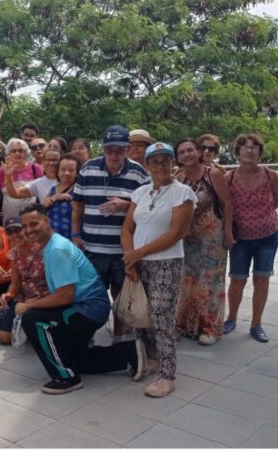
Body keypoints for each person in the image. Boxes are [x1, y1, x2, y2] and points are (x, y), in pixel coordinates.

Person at [16, 204, 147, 395]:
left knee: (33, 319)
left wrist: (28, 305)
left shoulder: (57, 249)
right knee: (74, 358)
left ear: (47, 222)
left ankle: (66, 378)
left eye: (33, 224)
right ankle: (128, 353)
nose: (28, 230)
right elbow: (62, 288)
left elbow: (65, 296)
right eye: (25, 226)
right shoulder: (51, 245)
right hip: (84, 306)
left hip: (88, 309)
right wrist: (42, 298)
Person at [121, 143, 196, 397]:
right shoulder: (140, 193)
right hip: (138, 262)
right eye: (155, 161)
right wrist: (131, 260)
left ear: (173, 163)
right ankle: (150, 359)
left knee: (162, 317)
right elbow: (126, 229)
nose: (160, 165)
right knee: (142, 314)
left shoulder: (182, 193)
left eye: (166, 160)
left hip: (167, 262)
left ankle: (167, 373)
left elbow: (176, 233)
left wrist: (137, 254)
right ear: (147, 164)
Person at [71, 125, 149, 340]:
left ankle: (119, 336)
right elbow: (77, 204)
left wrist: (126, 205)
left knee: (122, 295)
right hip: (92, 247)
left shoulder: (139, 173)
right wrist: (75, 235)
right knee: (91, 295)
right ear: (103, 149)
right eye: (110, 149)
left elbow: (149, 207)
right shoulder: (88, 168)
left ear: (128, 148)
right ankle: (87, 336)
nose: (114, 154)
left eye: (119, 149)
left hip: (123, 249)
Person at [175, 138, 233, 345]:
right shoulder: (179, 178)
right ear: (178, 158)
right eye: (182, 152)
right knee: (188, 280)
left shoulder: (213, 174)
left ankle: (209, 327)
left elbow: (227, 204)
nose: (187, 154)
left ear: (198, 152)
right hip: (188, 238)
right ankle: (187, 325)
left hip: (212, 237)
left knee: (210, 281)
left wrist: (228, 232)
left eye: (190, 150)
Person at [224, 133, 278, 342]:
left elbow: (276, 202)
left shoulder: (270, 175)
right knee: (237, 280)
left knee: (262, 279)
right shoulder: (229, 177)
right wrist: (228, 232)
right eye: (244, 147)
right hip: (241, 238)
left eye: (254, 147)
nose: (249, 150)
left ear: (259, 152)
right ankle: (231, 318)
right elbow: (226, 207)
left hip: (267, 235)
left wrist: (261, 217)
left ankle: (256, 324)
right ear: (237, 152)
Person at [0, 219, 49, 345]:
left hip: (44, 298)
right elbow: (15, 284)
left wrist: (38, 299)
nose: (14, 235)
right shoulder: (14, 254)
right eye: (10, 232)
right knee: (3, 336)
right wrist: (9, 294)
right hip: (23, 299)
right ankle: (28, 328)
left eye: (17, 230)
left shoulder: (44, 250)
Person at [0, 138, 43, 222]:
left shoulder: (35, 168)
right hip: (10, 221)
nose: (17, 153)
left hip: (31, 219)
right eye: (14, 151)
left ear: (26, 153)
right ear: (8, 153)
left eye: (20, 150)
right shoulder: (3, 170)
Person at [42, 154, 81, 239]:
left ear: (77, 173)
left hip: (70, 239)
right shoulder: (53, 189)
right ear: (58, 171)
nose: (66, 173)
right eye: (63, 169)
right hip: (50, 238)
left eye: (71, 170)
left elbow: (80, 214)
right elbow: (42, 209)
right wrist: (54, 198)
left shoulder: (79, 190)